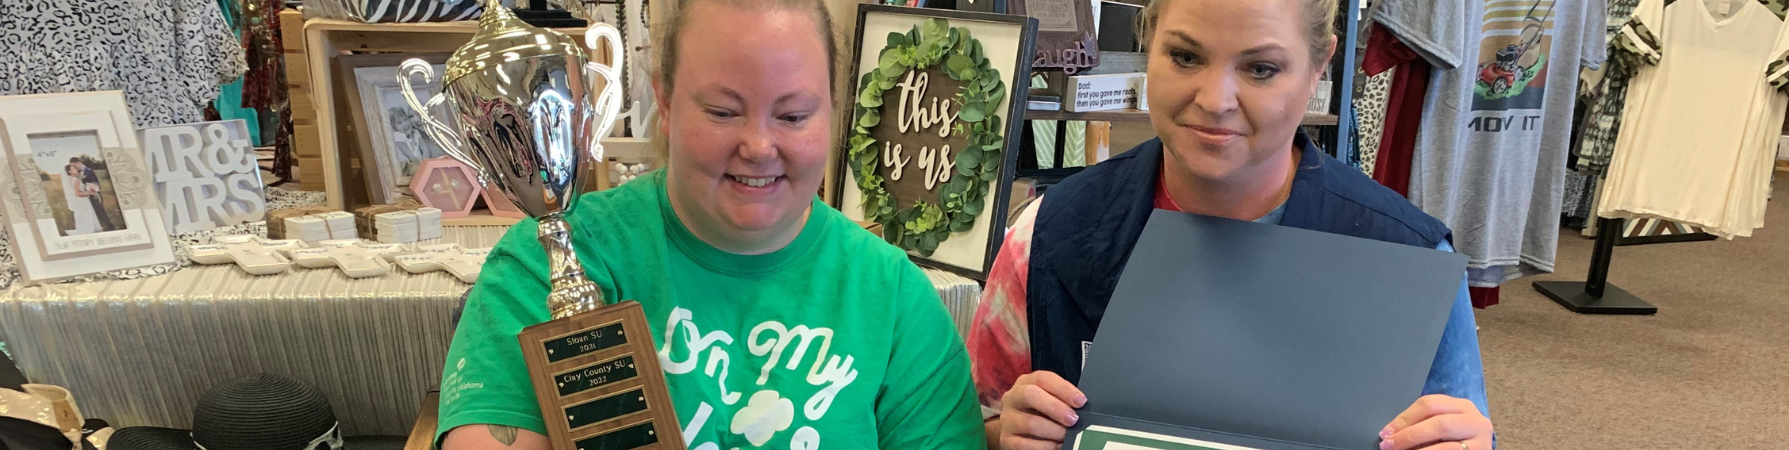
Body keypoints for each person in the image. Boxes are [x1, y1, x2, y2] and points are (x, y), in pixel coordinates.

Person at [436, 0, 987, 448]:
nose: (759, 146)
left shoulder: (895, 299)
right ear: (667, 104)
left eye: (793, 115)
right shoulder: (544, 263)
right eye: (723, 111)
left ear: (834, 112)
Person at [966, 0, 1496, 449]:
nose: (1214, 100)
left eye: (1261, 68)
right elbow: (976, 418)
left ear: (1319, 66)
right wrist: (1009, 432)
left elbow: (1459, 430)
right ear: (1148, 44)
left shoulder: (1410, 257)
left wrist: (1461, 438)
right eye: (1185, 56)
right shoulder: (1049, 233)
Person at [61, 164, 101, 235]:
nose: (75, 169)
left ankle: (85, 229)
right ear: (69, 171)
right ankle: (88, 230)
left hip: (79, 201)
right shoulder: (75, 180)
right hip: (82, 201)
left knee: (82, 216)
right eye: (73, 169)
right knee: (86, 216)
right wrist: (90, 192)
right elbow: (78, 193)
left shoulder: (71, 179)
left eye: (75, 168)